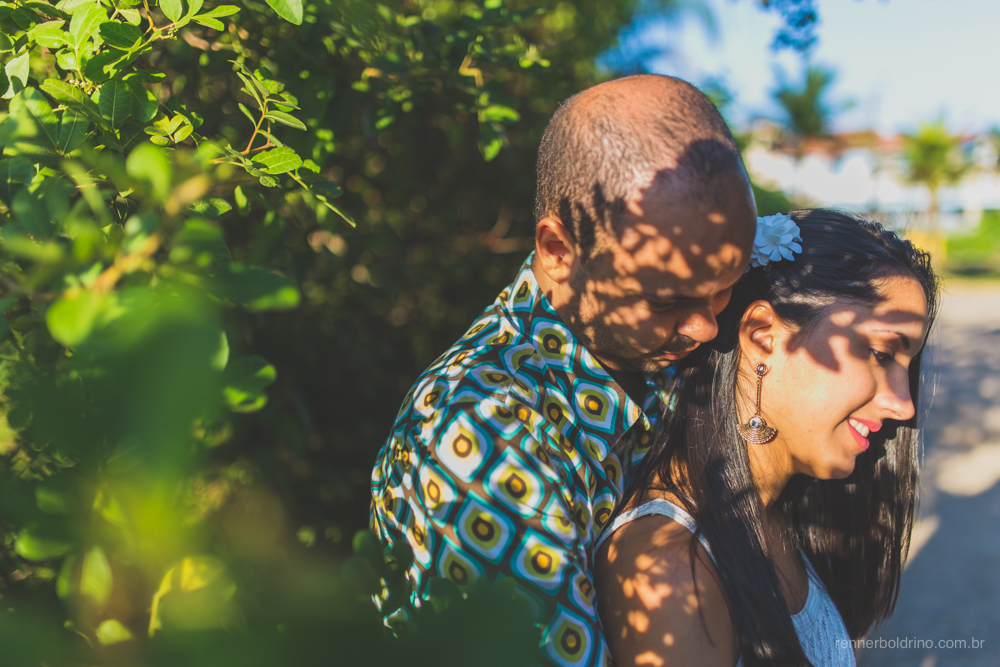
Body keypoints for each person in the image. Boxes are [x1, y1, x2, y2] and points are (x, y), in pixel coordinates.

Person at [369, 74, 757, 665]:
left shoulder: (648, 346)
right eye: (667, 301)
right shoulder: (482, 436)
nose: (706, 328)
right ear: (558, 253)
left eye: (725, 290)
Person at [594, 209, 938, 667]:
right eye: (880, 353)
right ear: (762, 338)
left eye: (907, 368)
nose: (904, 404)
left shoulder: (781, 510)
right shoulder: (673, 571)